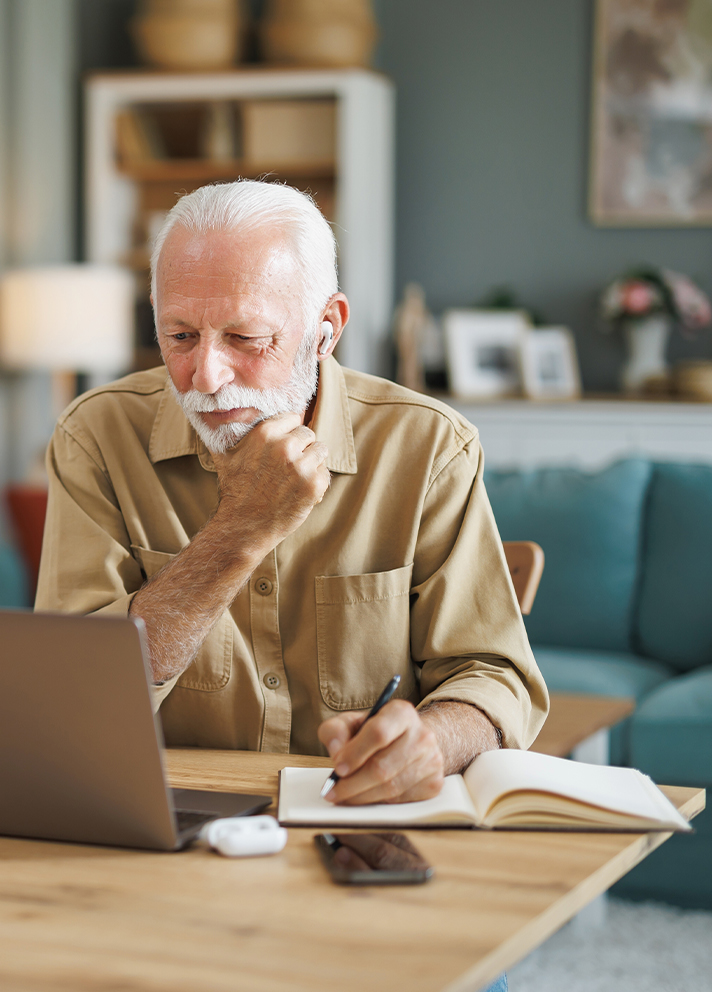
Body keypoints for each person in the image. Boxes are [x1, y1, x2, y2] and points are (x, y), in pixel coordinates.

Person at [35, 180, 547, 807]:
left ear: (326, 329)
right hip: (167, 812)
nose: (207, 377)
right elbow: (70, 694)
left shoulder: (429, 446)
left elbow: (493, 676)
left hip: (362, 816)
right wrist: (242, 527)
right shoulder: (95, 436)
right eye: (180, 336)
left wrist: (430, 744)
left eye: (246, 340)